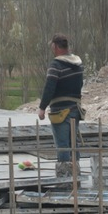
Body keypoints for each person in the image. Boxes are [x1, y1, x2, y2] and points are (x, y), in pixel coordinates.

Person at [37, 34, 84, 177]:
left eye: (52, 46)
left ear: (56, 47)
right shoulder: (78, 63)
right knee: (73, 144)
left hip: (60, 111)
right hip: (75, 108)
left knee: (63, 145)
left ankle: (65, 179)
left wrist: (42, 107)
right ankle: (76, 176)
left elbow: (49, 87)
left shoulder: (56, 65)